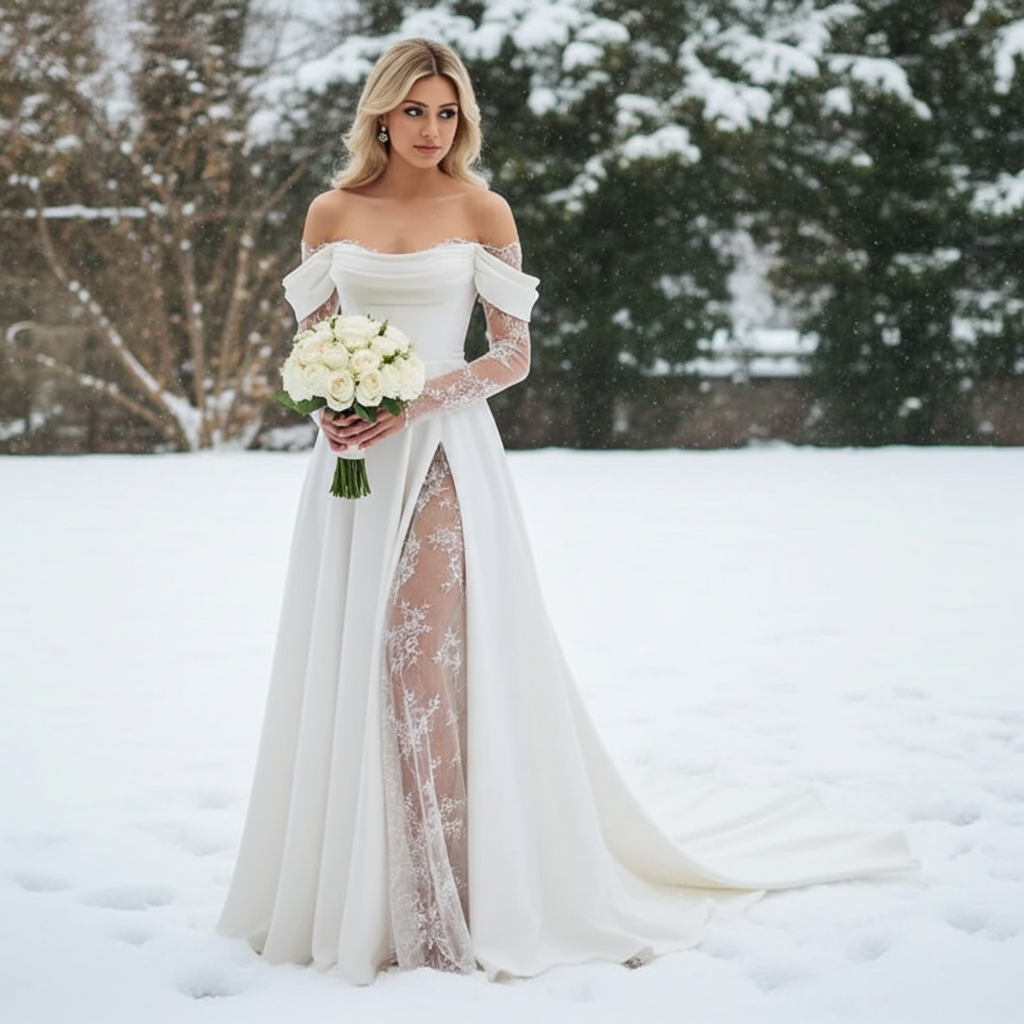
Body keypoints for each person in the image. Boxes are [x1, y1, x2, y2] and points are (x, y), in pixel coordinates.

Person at [217, 38, 913, 985]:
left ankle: (443, 898)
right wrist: (331, 404)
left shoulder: (482, 208)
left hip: (443, 455)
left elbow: (512, 356)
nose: (431, 129)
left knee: (417, 658)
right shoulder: (331, 212)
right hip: (350, 472)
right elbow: (311, 347)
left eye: (448, 111)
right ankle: (360, 892)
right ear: (381, 113)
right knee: (352, 659)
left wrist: (409, 400)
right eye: (415, 110)